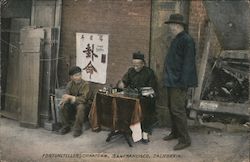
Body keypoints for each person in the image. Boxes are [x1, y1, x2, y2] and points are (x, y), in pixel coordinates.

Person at [163, 13, 198, 150]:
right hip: (172, 80)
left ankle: (185, 139)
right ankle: (175, 132)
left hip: (178, 82)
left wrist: (183, 83)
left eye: (171, 25)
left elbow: (188, 64)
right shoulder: (178, 38)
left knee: (178, 110)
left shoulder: (186, 40)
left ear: (178, 26)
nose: (170, 28)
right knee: (172, 108)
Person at [118, 51, 157, 144]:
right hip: (133, 96)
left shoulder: (149, 72)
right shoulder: (130, 71)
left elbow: (152, 88)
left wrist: (142, 92)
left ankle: (145, 132)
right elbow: (124, 81)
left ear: (143, 64)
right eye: (134, 64)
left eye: (138, 65)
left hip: (145, 98)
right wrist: (122, 83)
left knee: (145, 108)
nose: (135, 67)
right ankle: (126, 128)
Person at [59, 66, 90, 137]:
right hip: (73, 104)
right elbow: (67, 94)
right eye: (76, 75)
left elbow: (84, 99)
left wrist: (71, 97)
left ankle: (78, 129)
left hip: (84, 105)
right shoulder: (70, 84)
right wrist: (64, 99)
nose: (78, 77)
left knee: (80, 107)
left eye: (80, 74)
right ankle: (66, 126)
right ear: (71, 77)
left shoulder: (85, 84)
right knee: (63, 105)